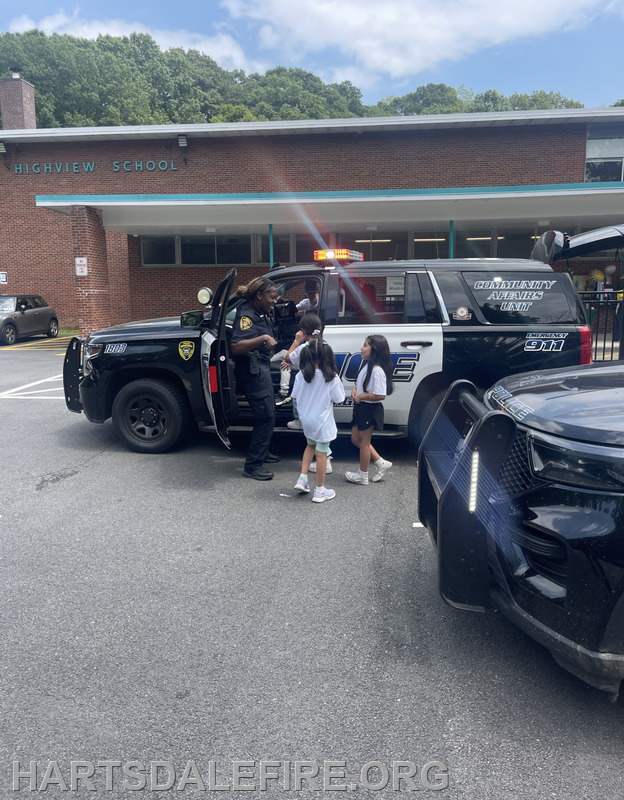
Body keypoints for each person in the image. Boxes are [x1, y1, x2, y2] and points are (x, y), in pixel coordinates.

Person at [230, 276, 281, 480]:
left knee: (267, 413)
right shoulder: (247, 316)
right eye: (272, 297)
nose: (275, 301)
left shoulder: (259, 312)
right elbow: (236, 347)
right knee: (266, 416)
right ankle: (252, 466)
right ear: (259, 295)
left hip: (261, 367)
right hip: (253, 371)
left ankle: (263, 451)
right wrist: (263, 338)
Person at [291, 337, 345, 503]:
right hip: (322, 422)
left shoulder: (301, 375)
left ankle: (302, 478)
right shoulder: (331, 378)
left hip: (306, 419)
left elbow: (294, 396)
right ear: (327, 356)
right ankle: (320, 491)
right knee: (321, 454)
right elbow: (339, 399)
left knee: (309, 446)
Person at [345, 335, 394, 485]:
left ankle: (363, 475)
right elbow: (365, 386)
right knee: (355, 439)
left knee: (364, 443)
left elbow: (381, 395)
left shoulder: (377, 370)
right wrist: (355, 390)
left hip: (369, 409)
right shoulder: (366, 366)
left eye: (365, 345)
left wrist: (362, 396)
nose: (362, 348)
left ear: (375, 350)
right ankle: (380, 463)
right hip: (361, 407)